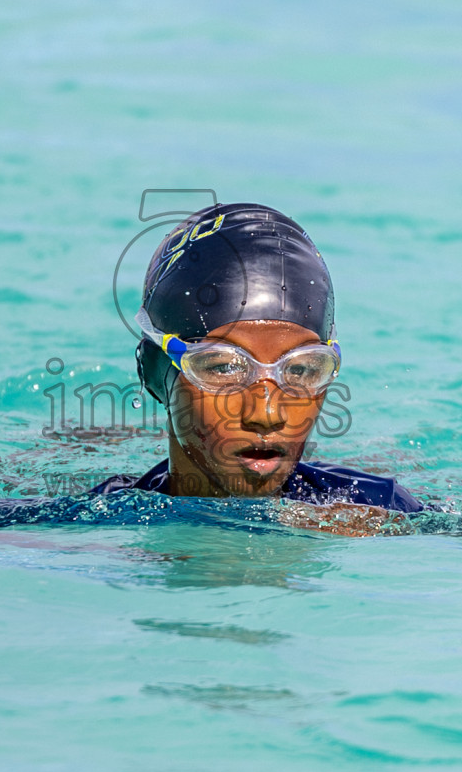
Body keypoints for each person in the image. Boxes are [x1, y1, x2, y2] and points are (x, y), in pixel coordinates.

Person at [91, 203, 423, 536]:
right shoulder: (93, 526)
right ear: (153, 371)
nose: (266, 413)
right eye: (223, 367)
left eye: (301, 369)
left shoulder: (382, 513)